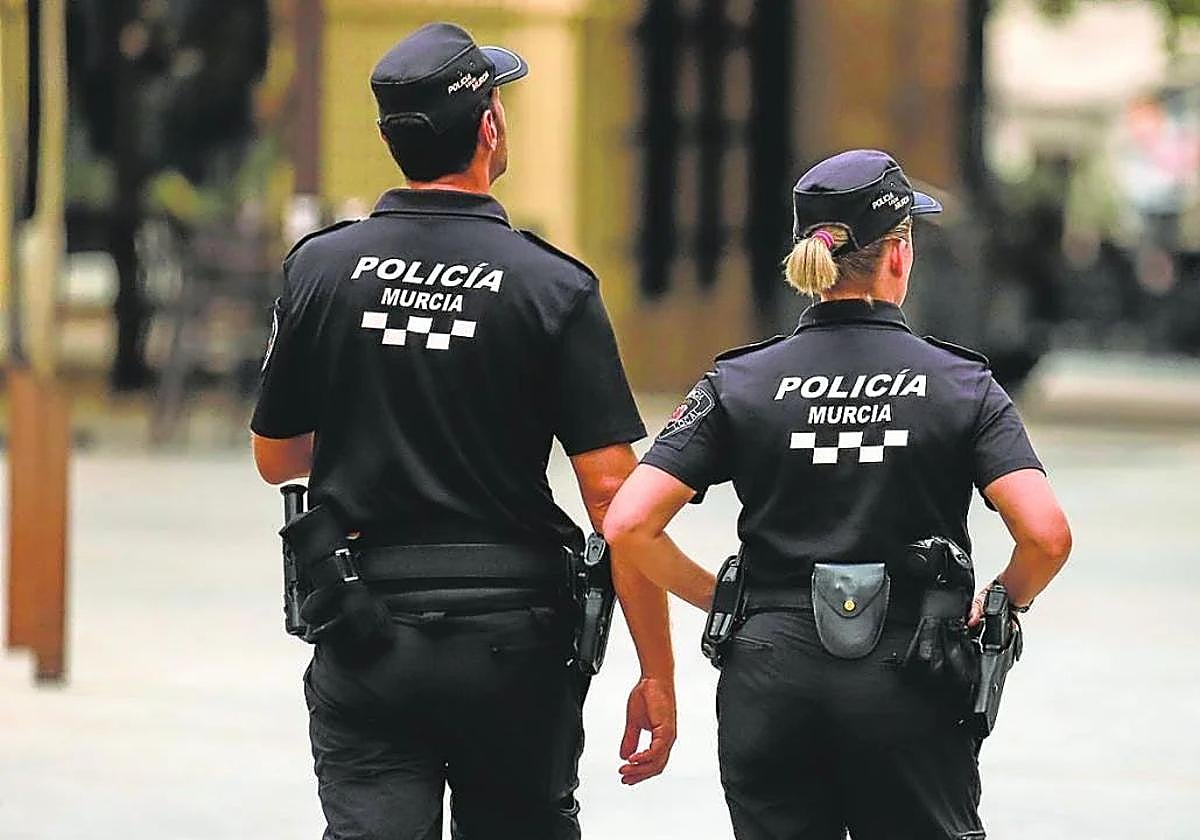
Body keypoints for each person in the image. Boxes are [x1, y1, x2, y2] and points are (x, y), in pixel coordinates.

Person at [250, 22, 676, 840]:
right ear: (489, 129)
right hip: (513, 643)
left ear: (390, 139)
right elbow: (615, 496)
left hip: (364, 625)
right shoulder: (553, 286)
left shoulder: (321, 270)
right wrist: (655, 671)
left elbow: (279, 460)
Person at [603, 149, 1073, 839]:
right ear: (898, 254)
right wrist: (1005, 598)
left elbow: (629, 522)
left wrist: (724, 599)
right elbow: (1047, 534)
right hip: (909, 675)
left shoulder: (741, 382)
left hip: (771, 675)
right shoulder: (960, 384)